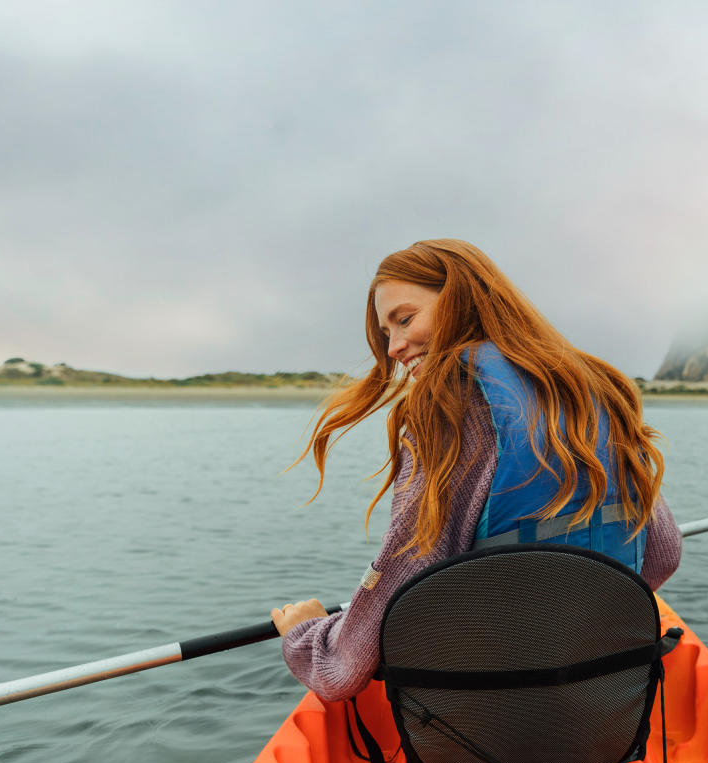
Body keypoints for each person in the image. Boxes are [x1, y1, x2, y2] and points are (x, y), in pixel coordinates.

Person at [271, 238, 681, 701]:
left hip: (484, 726)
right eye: (387, 333)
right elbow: (662, 553)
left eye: (405, 319)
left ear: (464, 297)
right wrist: (573, 621)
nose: (394, 347)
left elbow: (387, 598)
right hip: (606, 712)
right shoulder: (594, 389)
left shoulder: (448, 405)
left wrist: (309, 639)